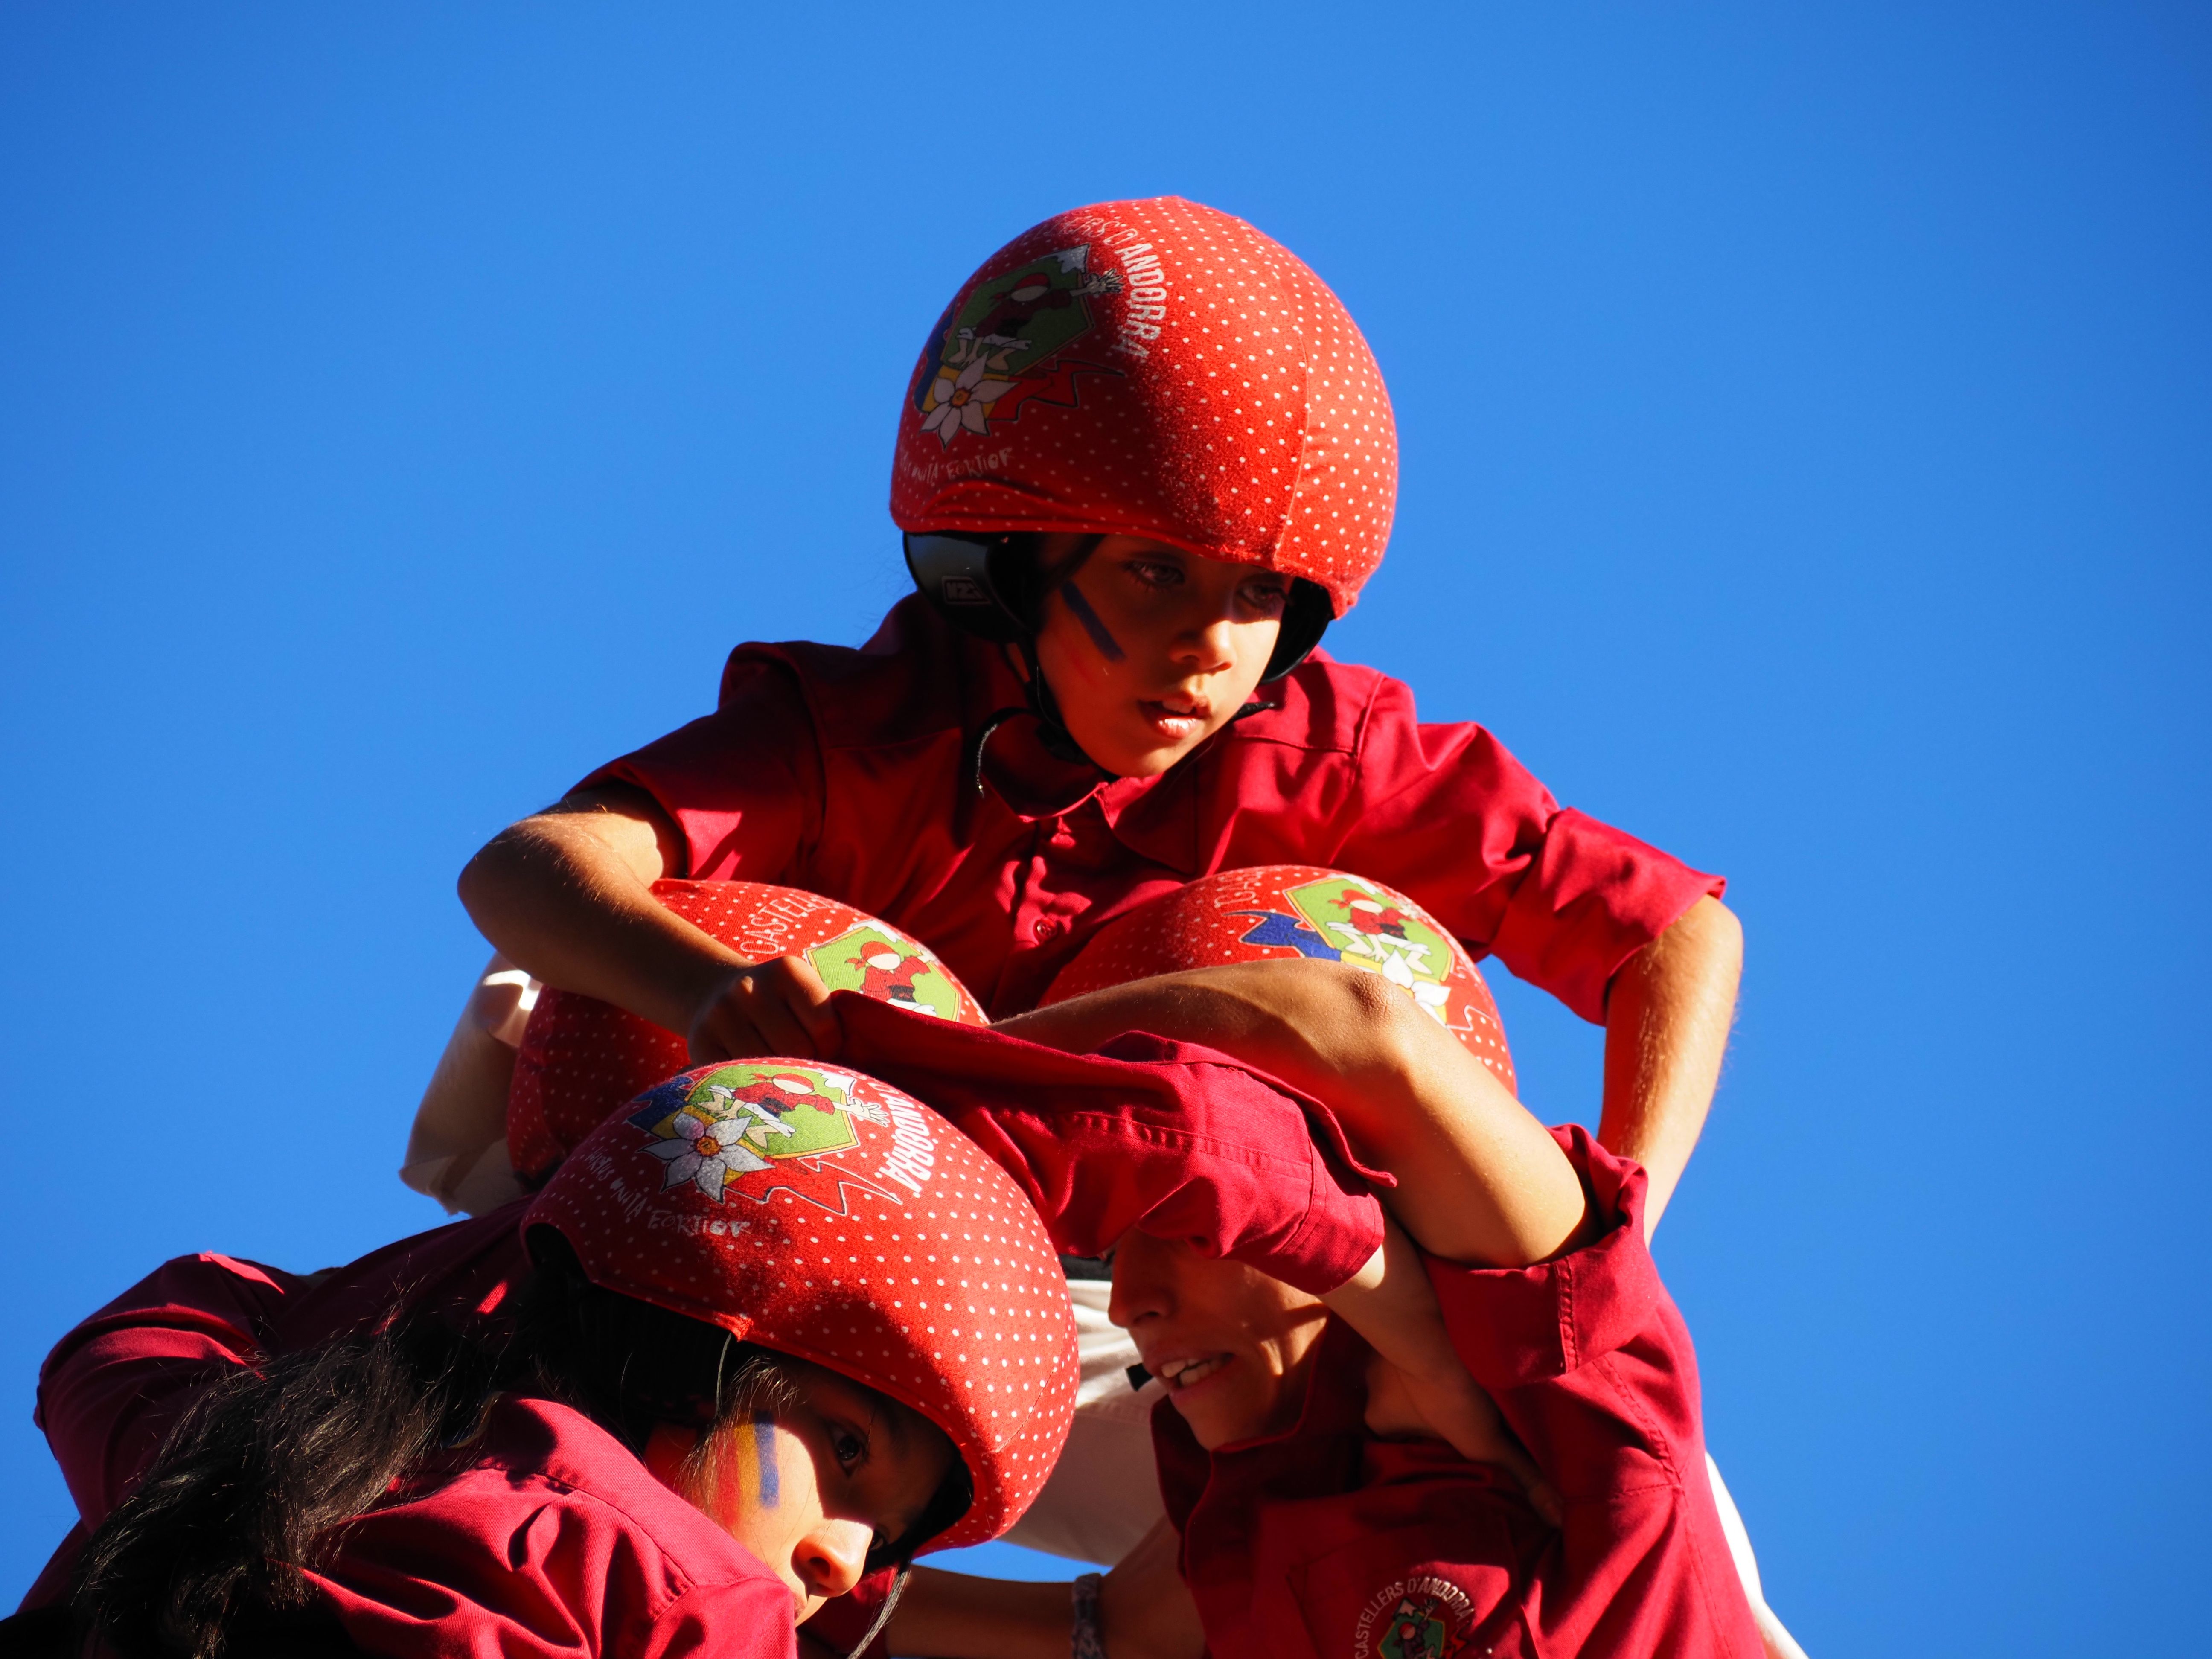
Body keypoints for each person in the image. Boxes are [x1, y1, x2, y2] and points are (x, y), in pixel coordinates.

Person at [449, 194, 1742, 1242]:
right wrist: (717, 993)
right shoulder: (868, 732)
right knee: (601, 998)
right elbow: (528, 869)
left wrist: (1620, 1236)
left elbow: (1675, 939)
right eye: (1156, 572)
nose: (1207, 648)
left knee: (1543, 1422)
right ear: (1009, 563)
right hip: (813, 1213)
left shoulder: (1324, 755)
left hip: (1163, 1278)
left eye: (1258, 599)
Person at [7, 1058, 1078, 1658]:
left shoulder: (285, 1456)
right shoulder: (690, 1601)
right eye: (847, 1448)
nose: (844, 1564)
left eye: (882, 1535)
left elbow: (141, 1341)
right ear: (684, 1354)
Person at [867, 959, 1779, 1659]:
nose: (1135, 1301)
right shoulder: (1237, 1503)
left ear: (1386, 1186)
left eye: (1187, 1221)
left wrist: (876, 1088)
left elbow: (1361, 1035)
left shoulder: (1568, 1388)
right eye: (1114, 1251)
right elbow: (1111, 1636)